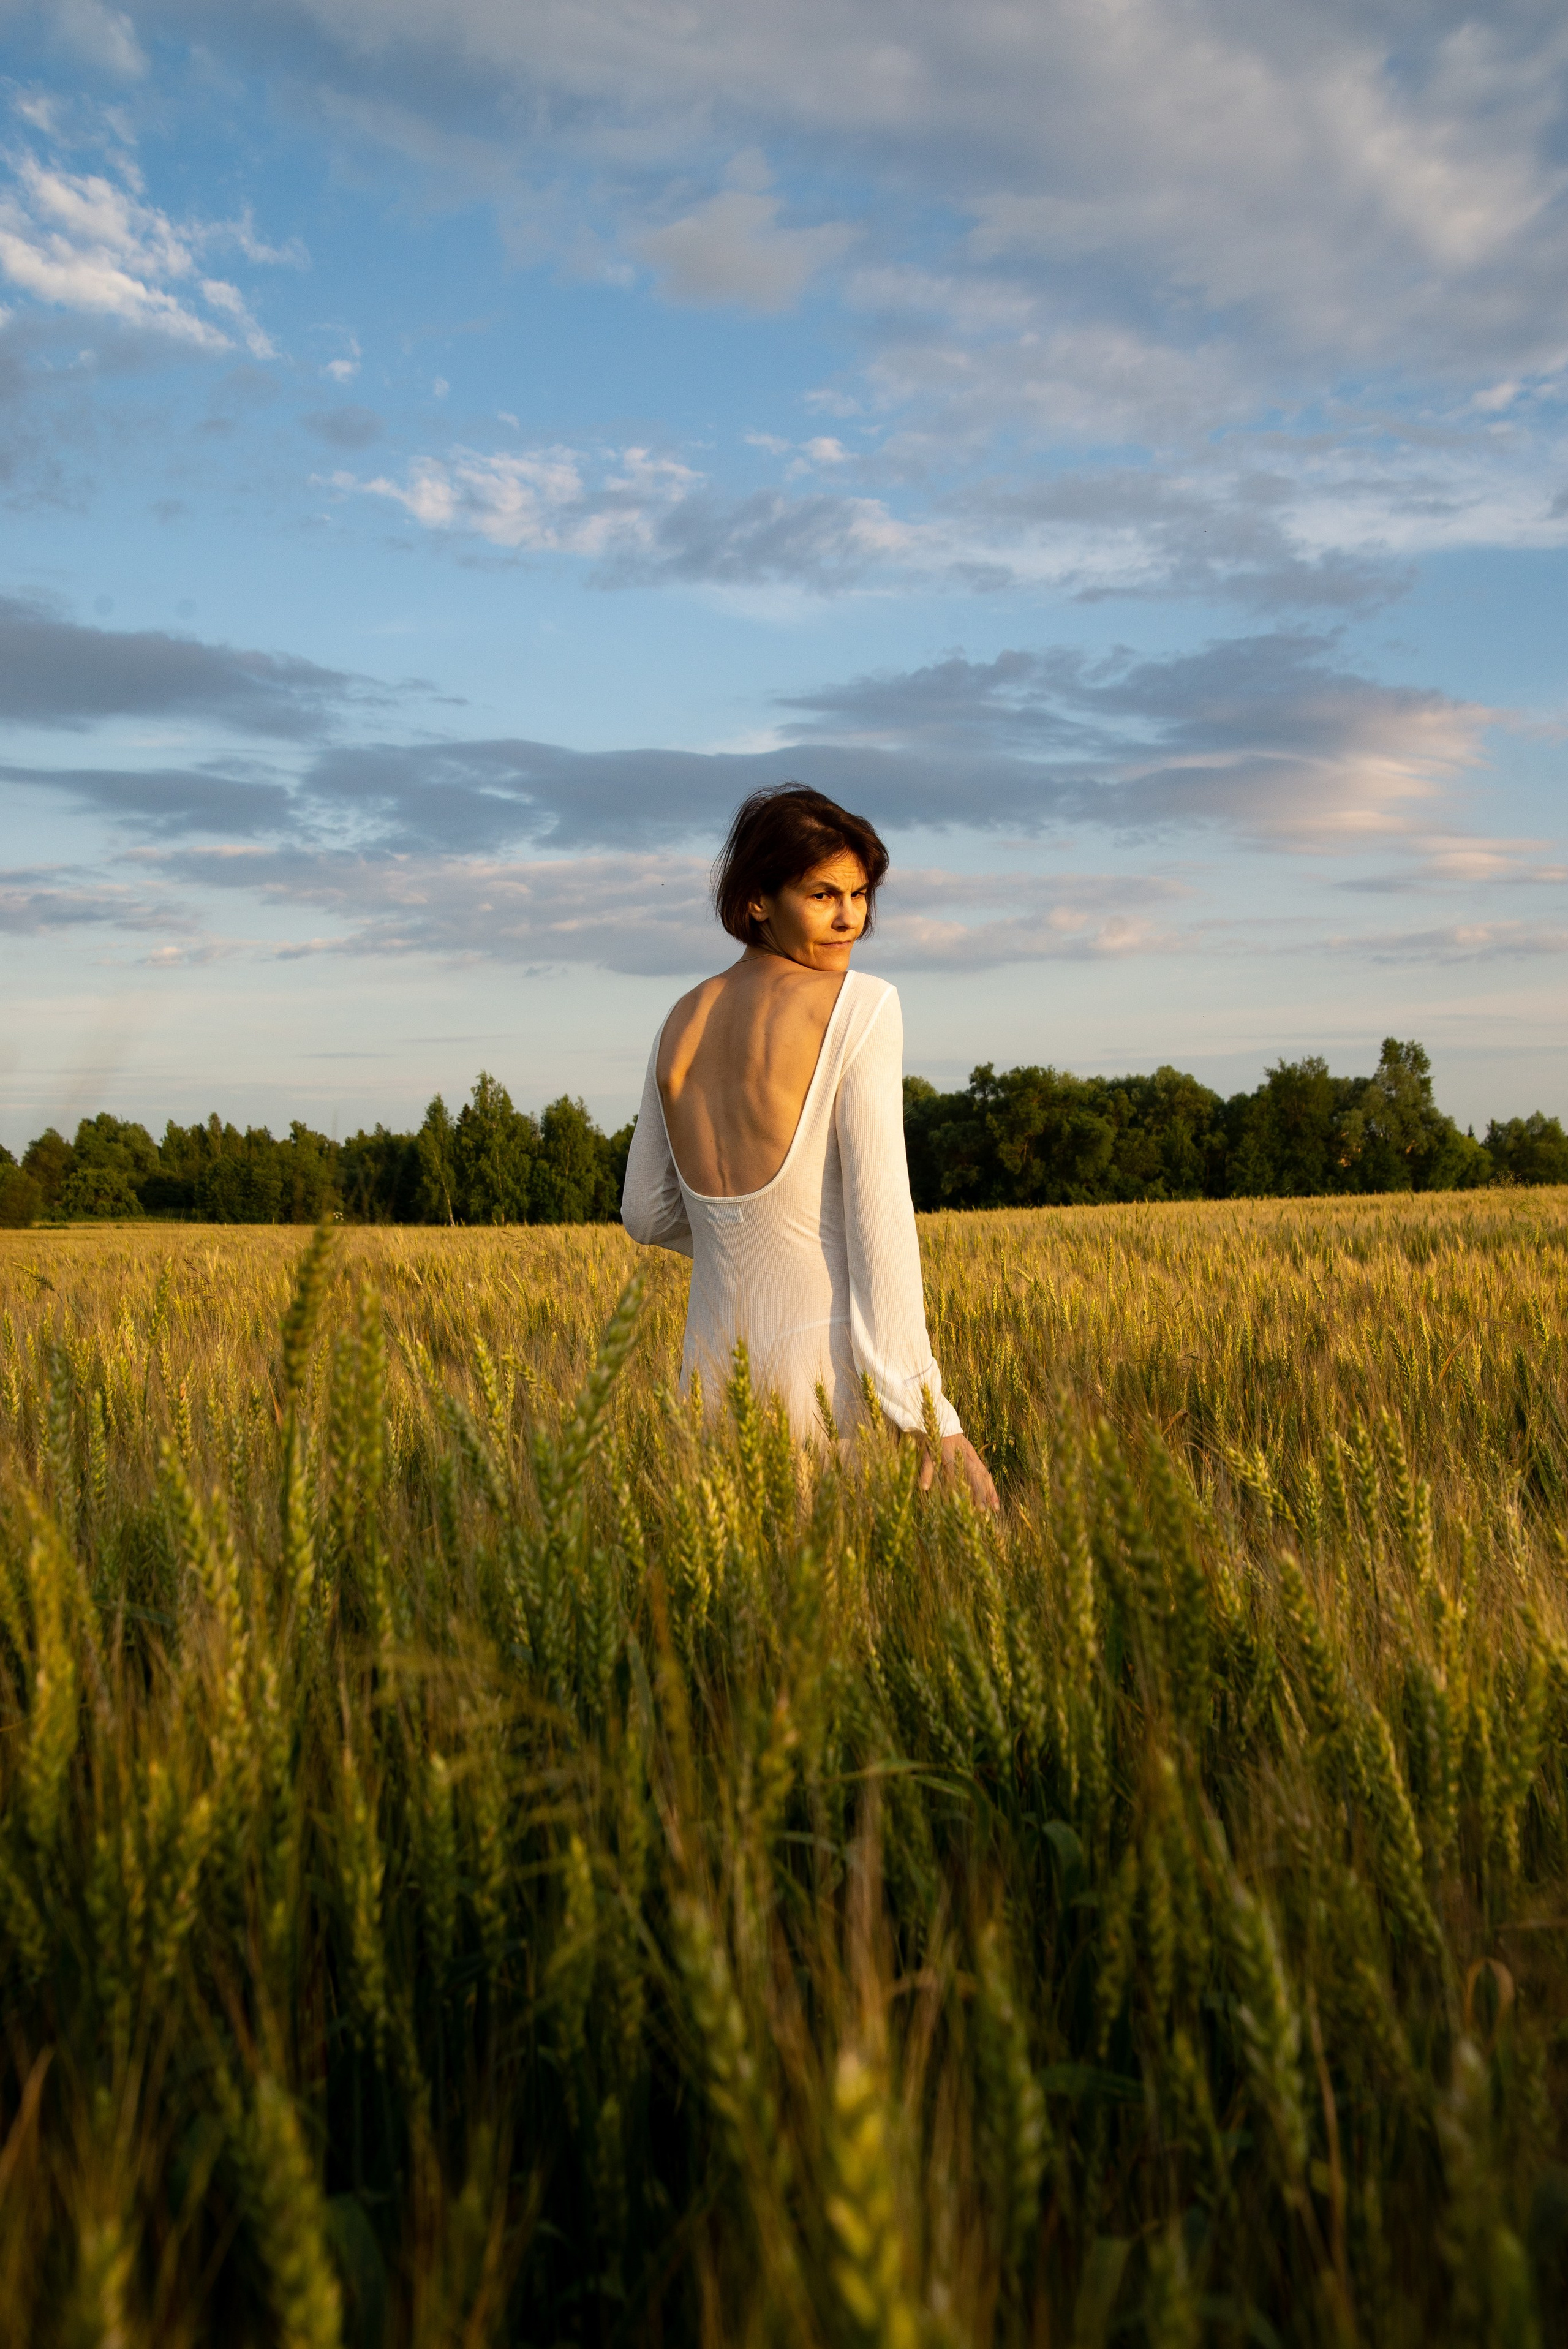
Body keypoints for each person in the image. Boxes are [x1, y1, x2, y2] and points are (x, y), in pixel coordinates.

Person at [620, 784, 999, 1511]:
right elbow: (881, 1226)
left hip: (705, 1389)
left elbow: (644, 1211)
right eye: (823, 894)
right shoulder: (862, 1006)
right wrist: (929, 1415)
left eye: (859, 894)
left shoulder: (680, 1019)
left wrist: (757, 1241)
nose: (849, 917)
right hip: (827, 1386)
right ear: (757, 899)